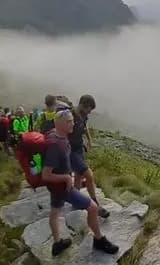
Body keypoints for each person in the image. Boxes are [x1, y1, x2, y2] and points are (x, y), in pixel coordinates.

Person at [42, 109, 119, 256]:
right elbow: (46, 175)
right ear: (60, 124)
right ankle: (99, 240)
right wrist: (66, 178)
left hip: (55, 187)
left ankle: (57, 244)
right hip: (63, 187)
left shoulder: (58, 135)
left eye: (73, 120)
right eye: (69, 121)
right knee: (93, 207)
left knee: (54, 212)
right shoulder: (55, 146)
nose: (73, 123)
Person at [69, 95, 109, 218]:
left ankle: (75, 201)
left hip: (79, 148)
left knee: (78, 176)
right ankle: (95, 204)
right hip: (70, 151)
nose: (90, 112)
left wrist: (88, 139)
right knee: (89, 175)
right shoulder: (71, 115)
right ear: (83, 105)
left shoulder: (83, 115)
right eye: (90, 109)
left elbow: (84, 126)